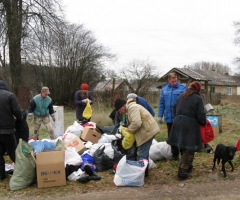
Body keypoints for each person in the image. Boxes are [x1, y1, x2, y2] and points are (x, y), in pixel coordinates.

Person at [167, 81, 206, 180]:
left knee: (182, 145)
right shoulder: (197, 98)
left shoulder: (181, 96)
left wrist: (178, 116)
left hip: (178, 122)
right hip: (189, 124)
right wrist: (203, 122)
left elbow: (174, 107)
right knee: (189, 149)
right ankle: (183, 172)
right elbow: (201, 113)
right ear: (198, 89)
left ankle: (188, 167)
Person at [115, 98, 160, 176]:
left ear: (123, 106)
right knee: (144, 153)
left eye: (120, 110)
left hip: (147, 131)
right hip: (146, 130)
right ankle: (144, 174)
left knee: (141, 153)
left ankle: (139, 175)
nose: (120, 112)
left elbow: (136, 123)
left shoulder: (133, 108)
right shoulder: (130, 109)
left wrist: (129, 130)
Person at [158, 72, 186, 160]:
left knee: (181, 136)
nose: (174, 83)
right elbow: (162, 103)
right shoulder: (164, 89)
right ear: (168, 80)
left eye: (175, 81)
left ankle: (183, 154)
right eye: (172, 81)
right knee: (171, 137)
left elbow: (186, 102)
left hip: (179, 117)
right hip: (169, 117)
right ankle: (175, 154)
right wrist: (160, 115)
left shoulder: (182, 89)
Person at [0, 80, 22, 180]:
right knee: (14, 152)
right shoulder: (10, 95)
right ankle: (20, 173)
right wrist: (20, 118)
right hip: (8, 130)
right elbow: (16, 111)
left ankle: (1, 175)